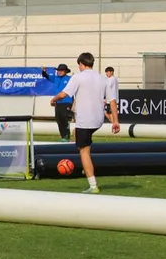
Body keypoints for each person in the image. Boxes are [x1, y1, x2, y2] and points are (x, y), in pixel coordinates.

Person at [51, 52, 118, 194]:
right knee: (79, 138)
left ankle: (93, 185)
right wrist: (115, 121)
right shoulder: (102, 78)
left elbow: (64, 94)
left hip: (85, 120)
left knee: (84, 151)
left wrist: (54, 99)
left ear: (81, 64)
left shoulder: (78, 77)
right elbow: (112, 101)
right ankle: (86, 166)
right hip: (98, 119)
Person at [42, 63, 73, 141]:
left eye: (61, 70)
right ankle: (63, 136)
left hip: (67, 101)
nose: (60, 72)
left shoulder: (69, 78)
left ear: (66, 71)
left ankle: (66, 135)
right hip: (58, 102)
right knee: (58, 118)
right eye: (59, 70)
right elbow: (46, 76)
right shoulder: (55, 78)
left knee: (64, 117)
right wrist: (44, 71)